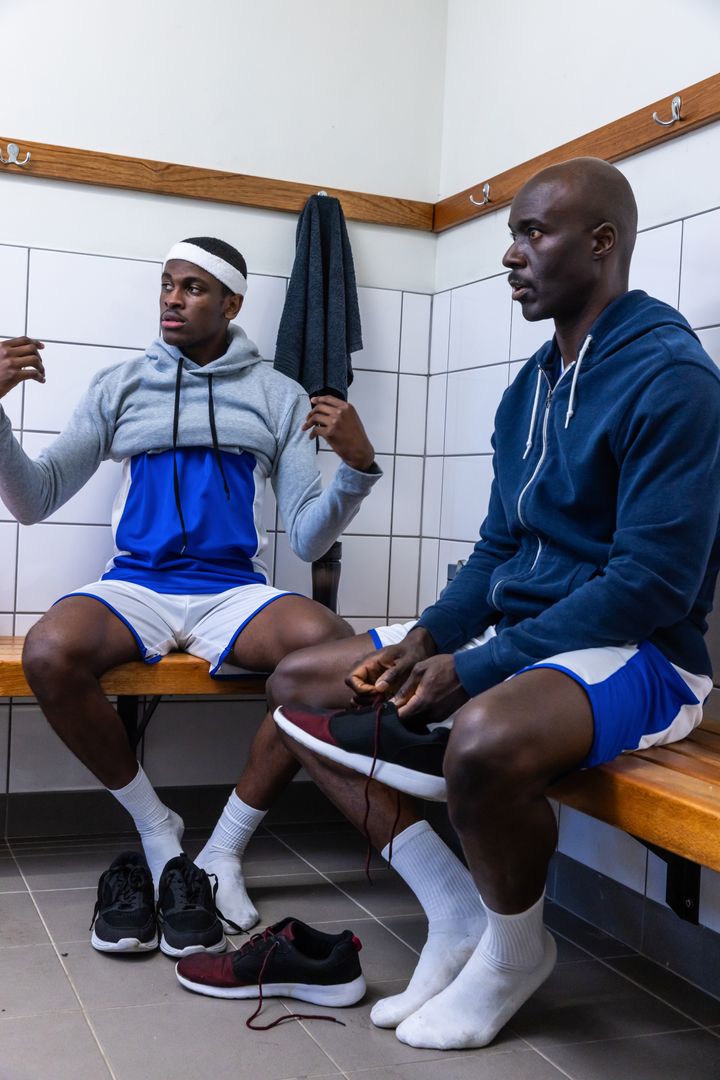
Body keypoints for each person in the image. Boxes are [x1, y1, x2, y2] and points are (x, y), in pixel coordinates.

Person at [181, 159, 720, 1044]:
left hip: (647, 653)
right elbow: (500, 549)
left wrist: (478, 667)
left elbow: (650, 585)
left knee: (485, 735)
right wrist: (430, 635)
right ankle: (457, 910)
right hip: (530, 635)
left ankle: (515, 953)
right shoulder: (531, 387)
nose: (511, 255)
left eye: (532, 233)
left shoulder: (672, 377)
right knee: (301, 686)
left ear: (602, 242)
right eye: (512, 234)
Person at [0, 236, 380, 935]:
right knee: (49, 651)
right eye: (167, 284)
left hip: (232, 591)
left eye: (193, 288)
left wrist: (355, 470)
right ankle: (158, 828)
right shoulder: (119, 385)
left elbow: (306, 537)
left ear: (231, 304)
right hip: (137, 585)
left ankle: (224, 849)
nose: (172, 299)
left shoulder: (277, 394)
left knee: (331, 648)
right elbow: (34, 499)